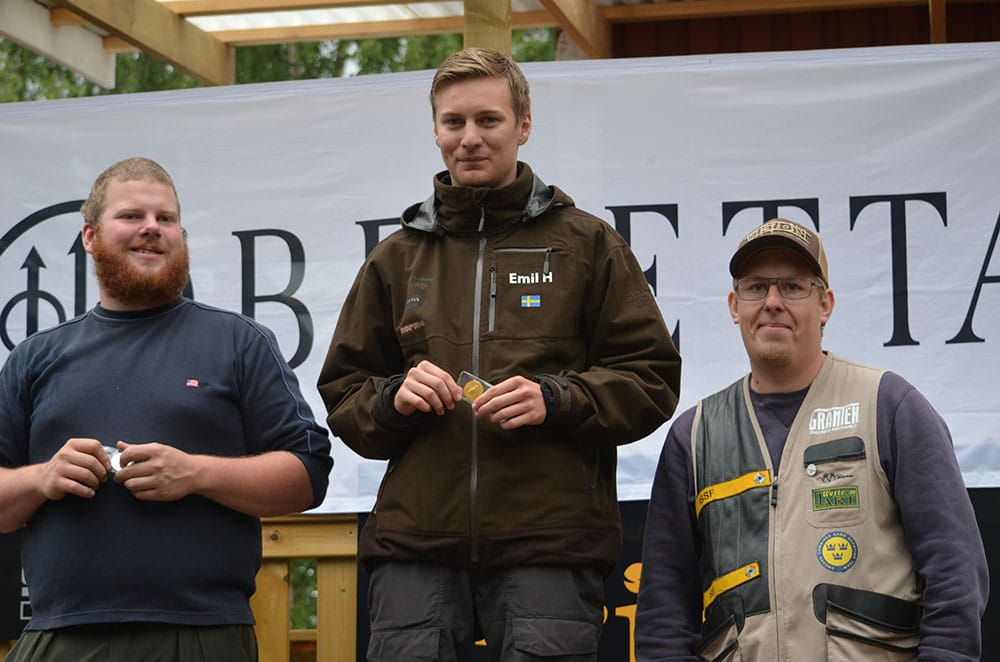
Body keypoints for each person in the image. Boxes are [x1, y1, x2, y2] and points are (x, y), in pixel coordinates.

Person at [317, 48, 681, 661]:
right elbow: (343, 390)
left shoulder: (587, 243)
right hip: (415, 547)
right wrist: (392, 399)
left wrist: (557, 398)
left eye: (488, 120)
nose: (470, 138)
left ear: (523, 125)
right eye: (453, 122)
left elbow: (651, 378)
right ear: (436, 131)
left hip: (550, 545)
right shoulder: (396, 257)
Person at [0, 157, 333, 661]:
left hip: (200, 634)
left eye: (167, 218)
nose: (152, 228)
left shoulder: (239, 342)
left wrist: (194, 473)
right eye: (132, 216)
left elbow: (308, 476)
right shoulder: (35, 357)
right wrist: (42, 477)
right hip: (59, 634)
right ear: (89, 236)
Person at [634, 218, 989, 660]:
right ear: (734, 305)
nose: (773, 302)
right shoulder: (694, 435)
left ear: (825, 304)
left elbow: (955, 574)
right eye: (756, 287)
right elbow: (663, 614)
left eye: (793, 287)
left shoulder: (889, 406)